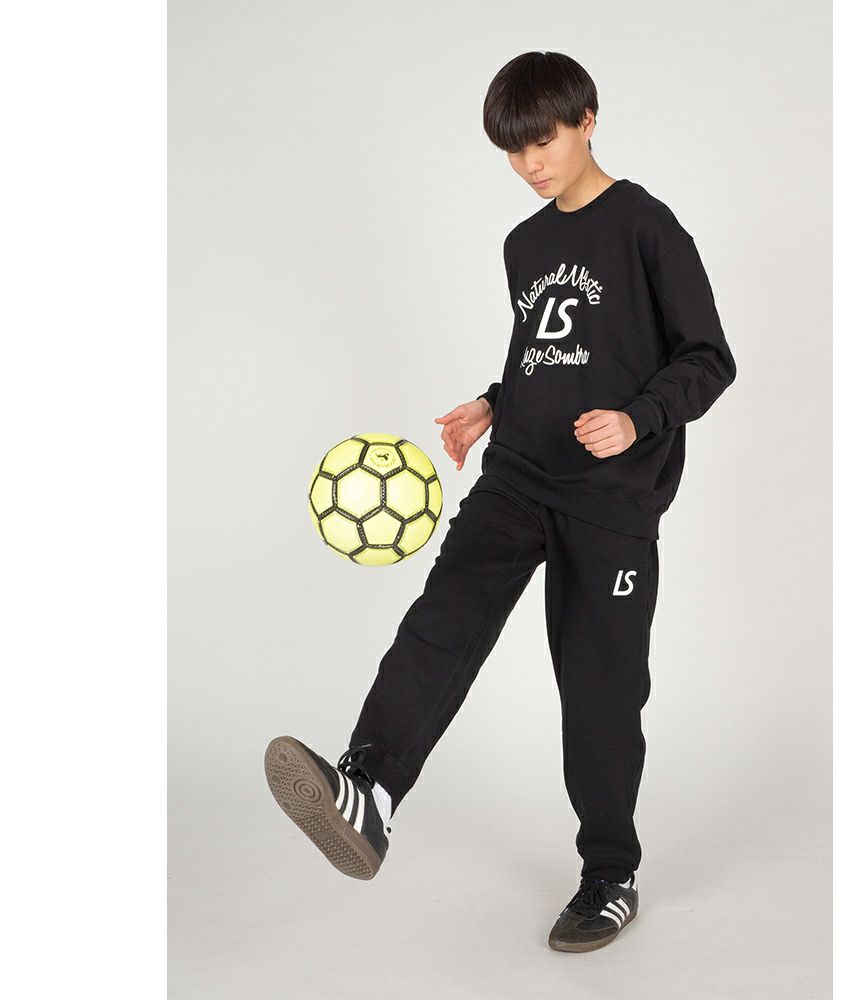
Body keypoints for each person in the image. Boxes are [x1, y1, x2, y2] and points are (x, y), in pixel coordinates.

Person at [265, 50, 737, 953]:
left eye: (543, 141)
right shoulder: (525, 244)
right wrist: (493, 402)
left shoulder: (647, 227)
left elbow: (708, 357)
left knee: (599, 694)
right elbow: (546, 354)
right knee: (443, 618)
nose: (529, 164)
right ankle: (369, 789)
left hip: (611, 499)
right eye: (513, 151)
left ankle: (610, 874)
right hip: (518, 474)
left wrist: (638, 420)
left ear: (588, 120)